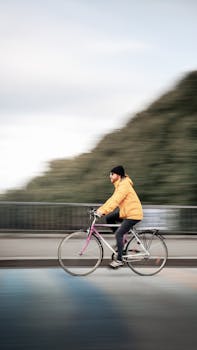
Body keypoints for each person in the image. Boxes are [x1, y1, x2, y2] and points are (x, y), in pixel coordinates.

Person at [96, 165, 143, 268]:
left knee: (118, 234)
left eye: (112, 174)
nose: (110, 176)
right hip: (127, 212)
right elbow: (112, 200)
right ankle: (122, 241)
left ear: (118, 175)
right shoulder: (120, 185)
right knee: (109, 218)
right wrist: (100, 210)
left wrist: (101, 211)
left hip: (133, 214)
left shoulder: (124, 185)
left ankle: (119, 260)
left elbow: (115, 201)